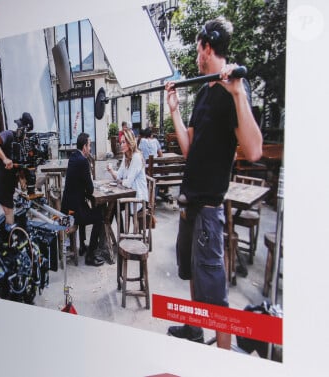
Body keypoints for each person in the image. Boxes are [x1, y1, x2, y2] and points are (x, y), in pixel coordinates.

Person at [164, 17, 262, 349]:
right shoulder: (205, 93)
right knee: (191, 275)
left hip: (208, 209)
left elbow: (254, 150)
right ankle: (193, 329)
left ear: (207, 48)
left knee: (216, 297)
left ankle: (224, 359)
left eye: (196, 49)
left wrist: (238, 94)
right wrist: (175, 111)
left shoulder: (233, 90)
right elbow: (189, 147)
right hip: (189, 205)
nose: (195, 56)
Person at [61, 132, 105, 266]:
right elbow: (90, 190)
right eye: (89, 145)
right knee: (100, 216)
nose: (90, 148)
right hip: (74, 213)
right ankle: (90, 255)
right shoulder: (83, 161)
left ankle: (83, 247)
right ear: (84, 147)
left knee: (89, 209)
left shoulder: (73, 157)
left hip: (67, 208)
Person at [0, 112, 34, 225]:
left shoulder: (22, 144)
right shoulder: (9, 135)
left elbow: (20, 165)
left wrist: (22, 177)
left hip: (10, 189)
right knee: (9, 221)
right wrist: (5, 159)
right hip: (4, 188)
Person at [106, 129, 148, 213]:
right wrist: (111, 171)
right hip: (130, 195)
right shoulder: (126, 156)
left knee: (113, 206)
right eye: (120, 142)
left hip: (139, 198)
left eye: (123, 142)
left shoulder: (136, 157)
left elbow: (128, 183)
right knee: (112, 205)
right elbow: (119, 176)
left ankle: (105, 225)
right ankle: (107, 225)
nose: (121, 145)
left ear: (130, 142)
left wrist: (121, 181)